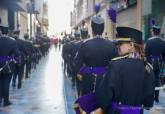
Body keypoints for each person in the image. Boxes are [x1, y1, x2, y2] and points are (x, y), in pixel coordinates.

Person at [95, 27, 155, 114]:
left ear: (131, 45)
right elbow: (149, 103)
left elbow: (104, 100)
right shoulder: (148, 68)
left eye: (120, 44)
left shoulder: (115, 65)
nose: (117, 47)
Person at [73, 15, 118, 114]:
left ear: (92, 28)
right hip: (106, 81)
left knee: (87, 107)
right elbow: (116, 65)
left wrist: (81, 76)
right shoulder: (111, 45)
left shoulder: (85, 44)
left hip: (89, 80)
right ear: (103, 28)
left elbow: (77, 64)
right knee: (104, 107)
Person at [0, 28, 20, 107]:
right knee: (6, 83)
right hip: (7, 65)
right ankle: (6, 101)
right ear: (8, 33)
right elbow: (17, 54)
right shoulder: (12, 41)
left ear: (1, 32)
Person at [145, 26, 165, 103]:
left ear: (153, 32)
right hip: (159, 63)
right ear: (159, 32)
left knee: (150, 79)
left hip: (151, 63)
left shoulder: (149, 41)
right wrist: (162, 61)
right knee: (157, 80)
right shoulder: (163, 41)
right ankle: (156, 97)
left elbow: (146, 53)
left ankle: (151, 96)